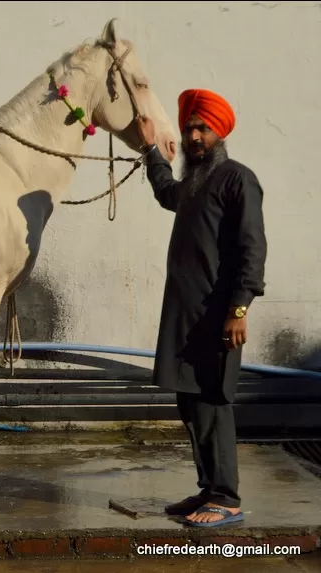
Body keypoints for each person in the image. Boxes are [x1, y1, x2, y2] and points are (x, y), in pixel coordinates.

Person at [136, 89, 267, 527]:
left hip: (218, 316)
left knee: (212, 402)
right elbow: (167, 193)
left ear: (219, 134)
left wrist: (239, 310)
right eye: (190, 128)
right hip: (185, 316)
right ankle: (208, 490)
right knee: (189, 404)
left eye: (202, 129)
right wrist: (150, 151)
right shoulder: (195, 182)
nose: (193, 136)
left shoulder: (237, 179)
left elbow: (252, 249)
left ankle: (226, 498)